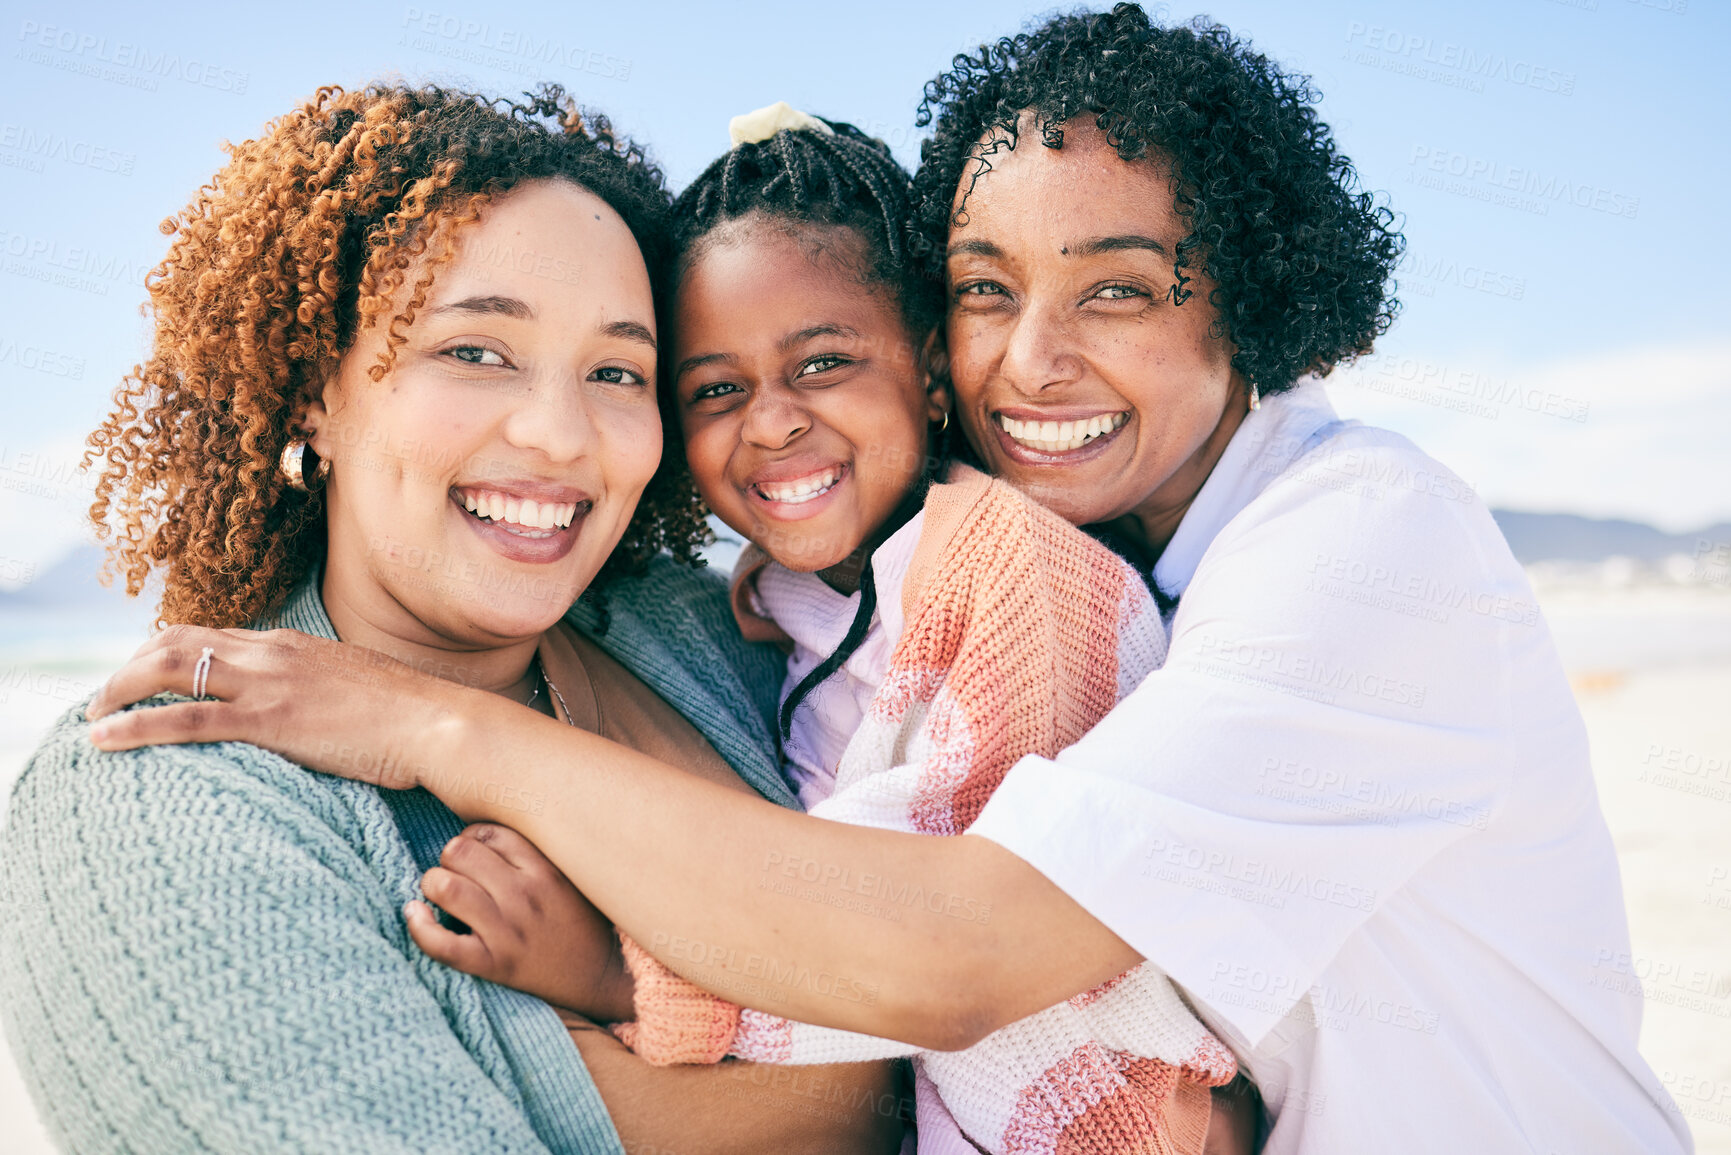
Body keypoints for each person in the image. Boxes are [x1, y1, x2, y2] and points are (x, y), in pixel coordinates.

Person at [82, 8, 1693, 1152]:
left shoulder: (1351, 545)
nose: (1030, 359)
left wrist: (440, 733)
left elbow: (942, 960)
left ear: (1250, 300)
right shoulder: (863, 591)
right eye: (985, 290)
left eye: (1118, 289)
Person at [0, 82, 902, 1155]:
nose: (563, 436)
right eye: (475, 351)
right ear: (311, 391)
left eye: (617, 370)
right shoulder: (160, 802)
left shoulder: (711, 634)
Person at [397, 101, 1239, 1155]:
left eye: (823, 364)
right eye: (715, 388)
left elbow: (903, 932)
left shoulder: (1028, 585)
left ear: (931, 370)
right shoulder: (789, 607)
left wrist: (618, 971)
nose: (771, 419)